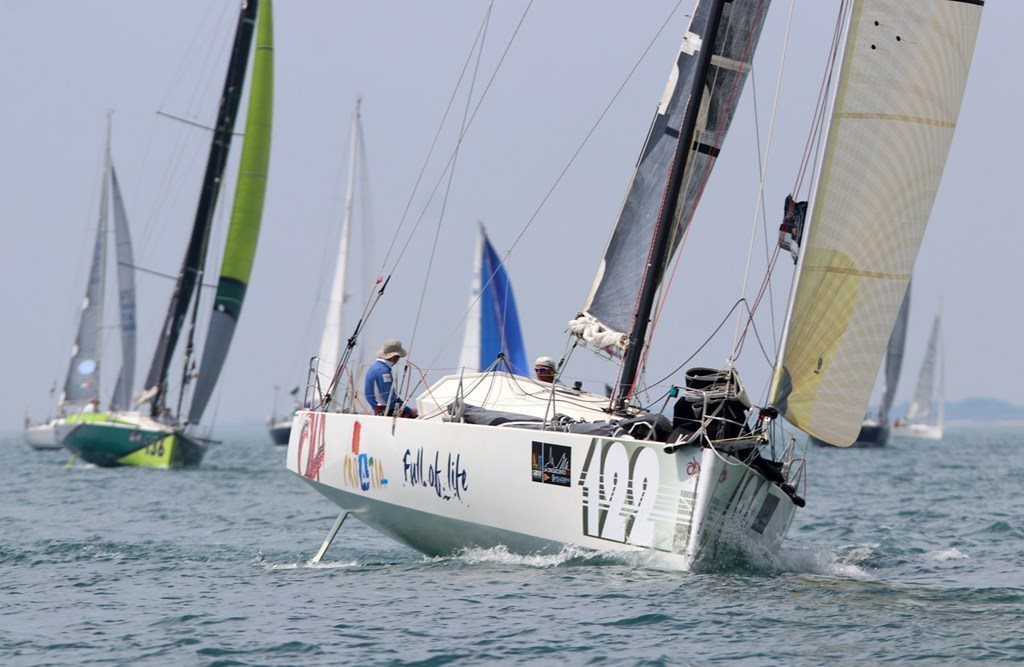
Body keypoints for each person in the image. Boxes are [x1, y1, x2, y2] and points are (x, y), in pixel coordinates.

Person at [364, 339, 418, 418]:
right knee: (415, 417)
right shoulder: (383, 371)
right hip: (386, 411)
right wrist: (409, 410)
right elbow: (389, 400)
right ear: (395, 357)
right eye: (398, 357)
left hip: (378, 410)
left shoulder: (374, 367)